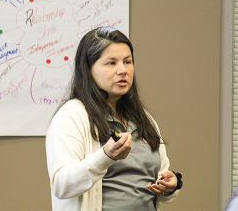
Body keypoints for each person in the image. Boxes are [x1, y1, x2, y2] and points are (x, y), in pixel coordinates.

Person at [45, 27, 182, 210]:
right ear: (88, 69)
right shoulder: (72, 115)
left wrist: (171, 185)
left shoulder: (144, 118)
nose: (123, 70)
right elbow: (62, 185)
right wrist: (105, 156)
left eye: (127, 62)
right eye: (111, 63)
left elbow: (159, 178)